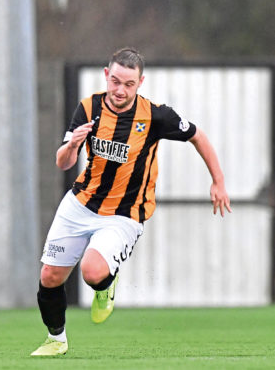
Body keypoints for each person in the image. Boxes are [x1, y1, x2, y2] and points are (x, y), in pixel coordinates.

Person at [30, 47, 231, 356]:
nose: (120, 90)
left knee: (92, 271)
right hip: (80, 204)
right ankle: (56, 340)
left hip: (124, 214)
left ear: (140, 83)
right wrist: (72, 144)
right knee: (50, 276)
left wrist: (218, 181)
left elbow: (198, 136)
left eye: (129, 84)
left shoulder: (156, 115)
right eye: (116, 82)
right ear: (106, 76)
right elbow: (63, 162)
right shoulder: (88, 108)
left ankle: (106, 285)